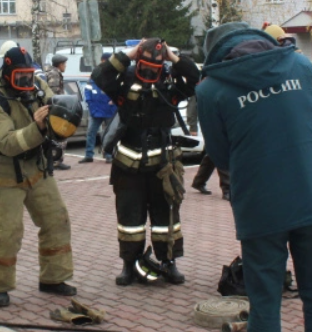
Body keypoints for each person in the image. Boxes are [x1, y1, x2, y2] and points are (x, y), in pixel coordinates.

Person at [197, 22, 312, 332]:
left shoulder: (211, 90)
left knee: (264, 310)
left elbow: (221, 155)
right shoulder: (301, 66)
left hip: (260, 208)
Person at [91, 38, 199, 286]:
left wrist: (174, 58)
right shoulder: (124, 81)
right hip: (128, 166)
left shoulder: (170, 83)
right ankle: (129, 264)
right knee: (130, 218)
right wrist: (129, 54)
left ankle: (168, 262)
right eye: (146, 64)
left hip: (163, 165)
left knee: (166, 218)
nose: (151, 71)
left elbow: (195, 79)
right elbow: (100, 76)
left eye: (156, 66)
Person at [0, 47, 76, 307]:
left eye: (29, 75)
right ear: (8, 73)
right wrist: (38, 126)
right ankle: (0, 286)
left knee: (57, 220)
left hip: (37, 167)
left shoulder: (39, 86)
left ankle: (54, 278)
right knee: (8, 232)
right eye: (20, 77)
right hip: (4, 174)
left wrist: (60, 120)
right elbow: (8, 143)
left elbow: (55, 109)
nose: (27, 82)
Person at [79, 53, 117, 164]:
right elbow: (88, 89)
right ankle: (89, 155)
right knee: (91, 132)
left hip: (109, 109)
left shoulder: (114, 74)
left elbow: (119, 89)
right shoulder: (95, 74)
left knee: (110, 133)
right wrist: (90, 103)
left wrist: (114, 100)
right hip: (96, 109)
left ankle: (108, 154)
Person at [45, 54, 71, 170]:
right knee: (61, 136)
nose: (65, 66)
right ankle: (56, 160)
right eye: (64, 64)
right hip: (55, 111)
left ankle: (53, 160)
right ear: (60, 64)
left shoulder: (51, 73)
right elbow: (54, 95)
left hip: (51, 110)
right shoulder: (55, 75)